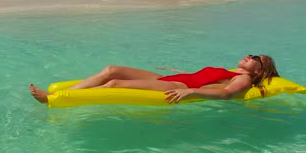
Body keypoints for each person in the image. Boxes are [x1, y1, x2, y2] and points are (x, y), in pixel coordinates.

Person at [29, 54, 280, 104]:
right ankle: (60, 92)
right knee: (111, 69)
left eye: (255, 57)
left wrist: (192, 93)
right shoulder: (231, 70)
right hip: (170, 76)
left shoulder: (244, 80)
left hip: (179, 86)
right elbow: (203, 74)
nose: (248, 55)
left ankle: (54, 99)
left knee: (114, 85)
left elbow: (227, 94)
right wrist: (172, 67)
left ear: (259, 70)